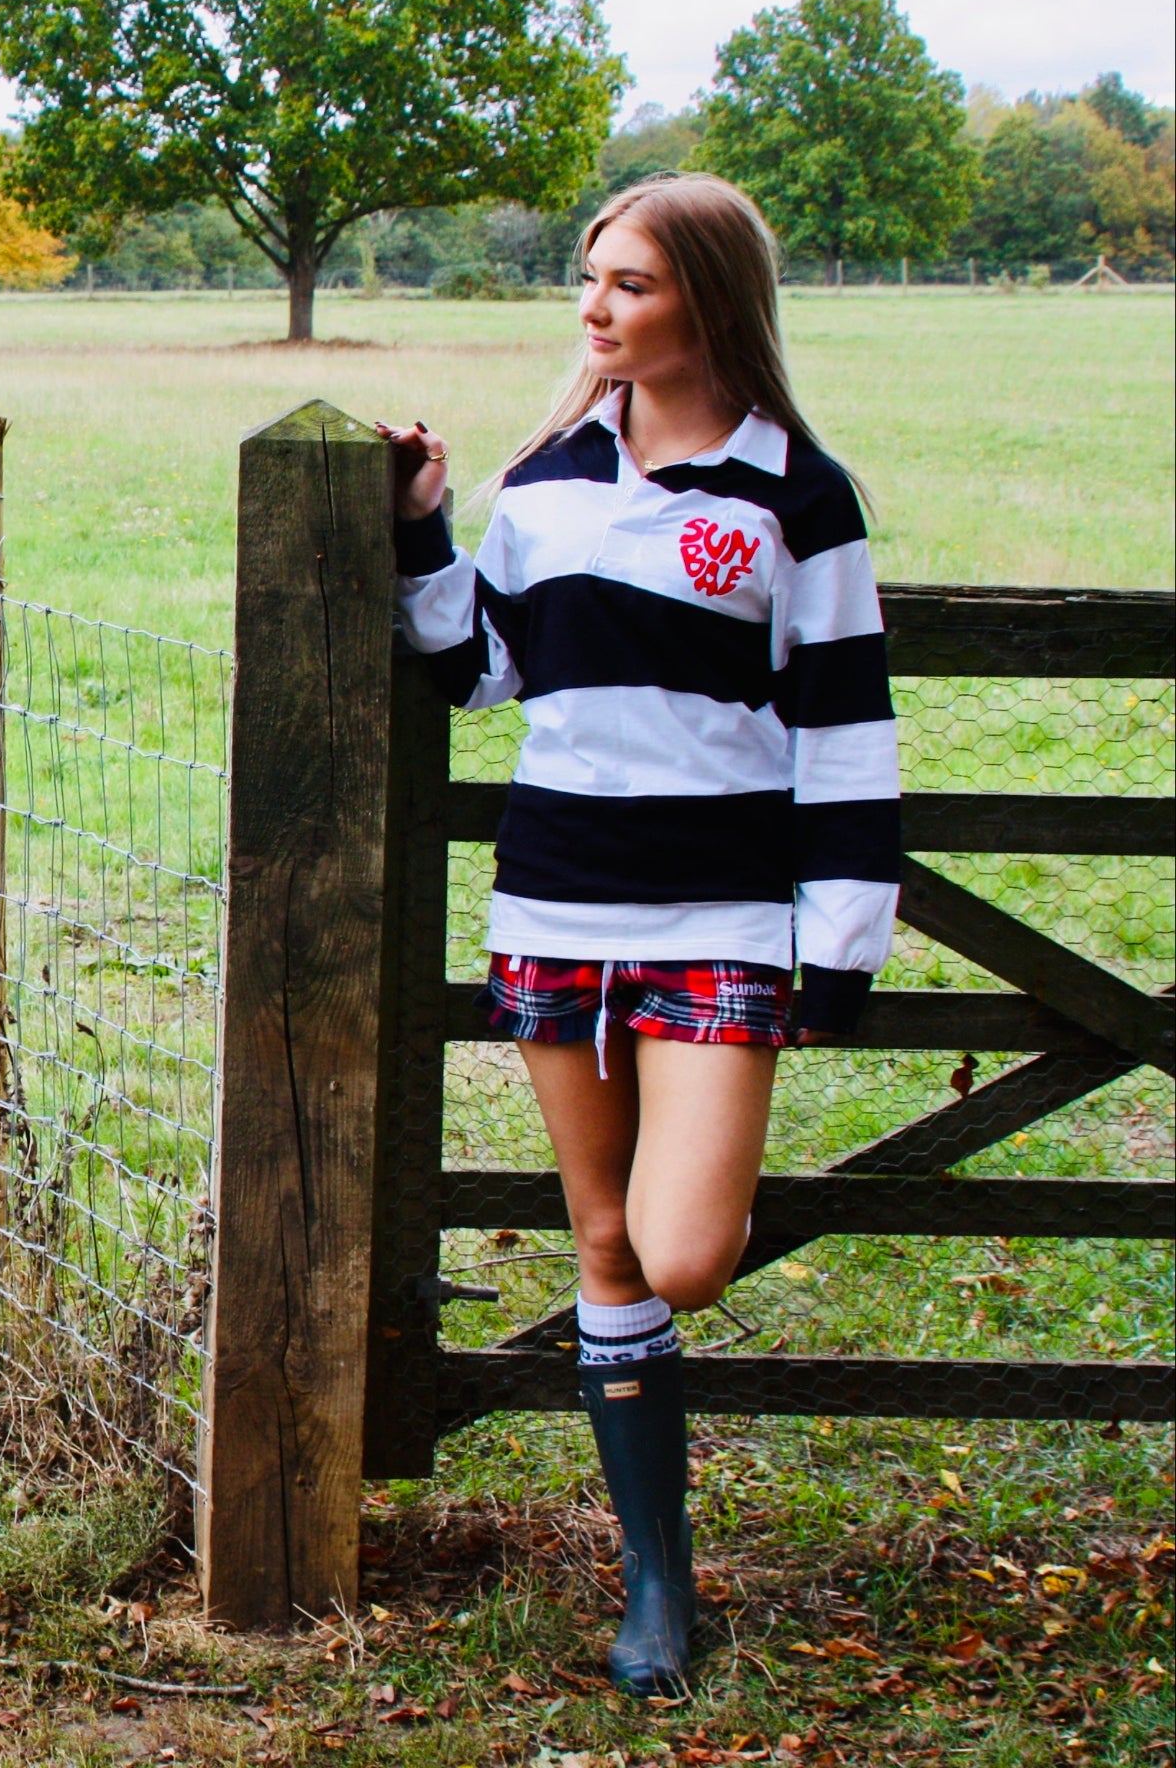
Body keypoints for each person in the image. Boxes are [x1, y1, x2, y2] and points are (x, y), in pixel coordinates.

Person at [377, 171, 898, 1698]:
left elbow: (848, 729)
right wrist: (424, 536)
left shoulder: (797, 493)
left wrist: (842, 950)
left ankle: (661, 1569)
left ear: (711, 302)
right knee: (602, 1240)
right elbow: (481, 672)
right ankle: (657, 1587)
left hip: (722, 916)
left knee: (683, 1252)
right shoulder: (546, 477)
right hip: (555, 904)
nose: (596, 309)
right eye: (591, 281)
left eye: (632, 285)